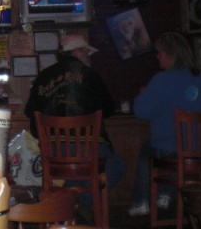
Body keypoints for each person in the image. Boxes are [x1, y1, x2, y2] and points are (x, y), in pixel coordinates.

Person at [25, 34, 126, 211]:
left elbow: (29, 113)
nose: (89, 57)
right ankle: (80, 205)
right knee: (116, 165)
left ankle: (65, 203)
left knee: (81, 172)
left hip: (51, 151)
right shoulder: (90, 75)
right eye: (87, 52)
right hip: (87, 149)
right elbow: (109, 109)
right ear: (78, 51)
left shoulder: (43, 77)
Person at [127, 32, 201, 216]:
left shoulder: (162, 79)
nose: (158, 56)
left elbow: (141, 112)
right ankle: (166, 195)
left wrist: (143, 94)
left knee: (147, 151)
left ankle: (141, 202)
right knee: (173, 146)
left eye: (160, 52)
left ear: (170, 54)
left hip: (172, 151)